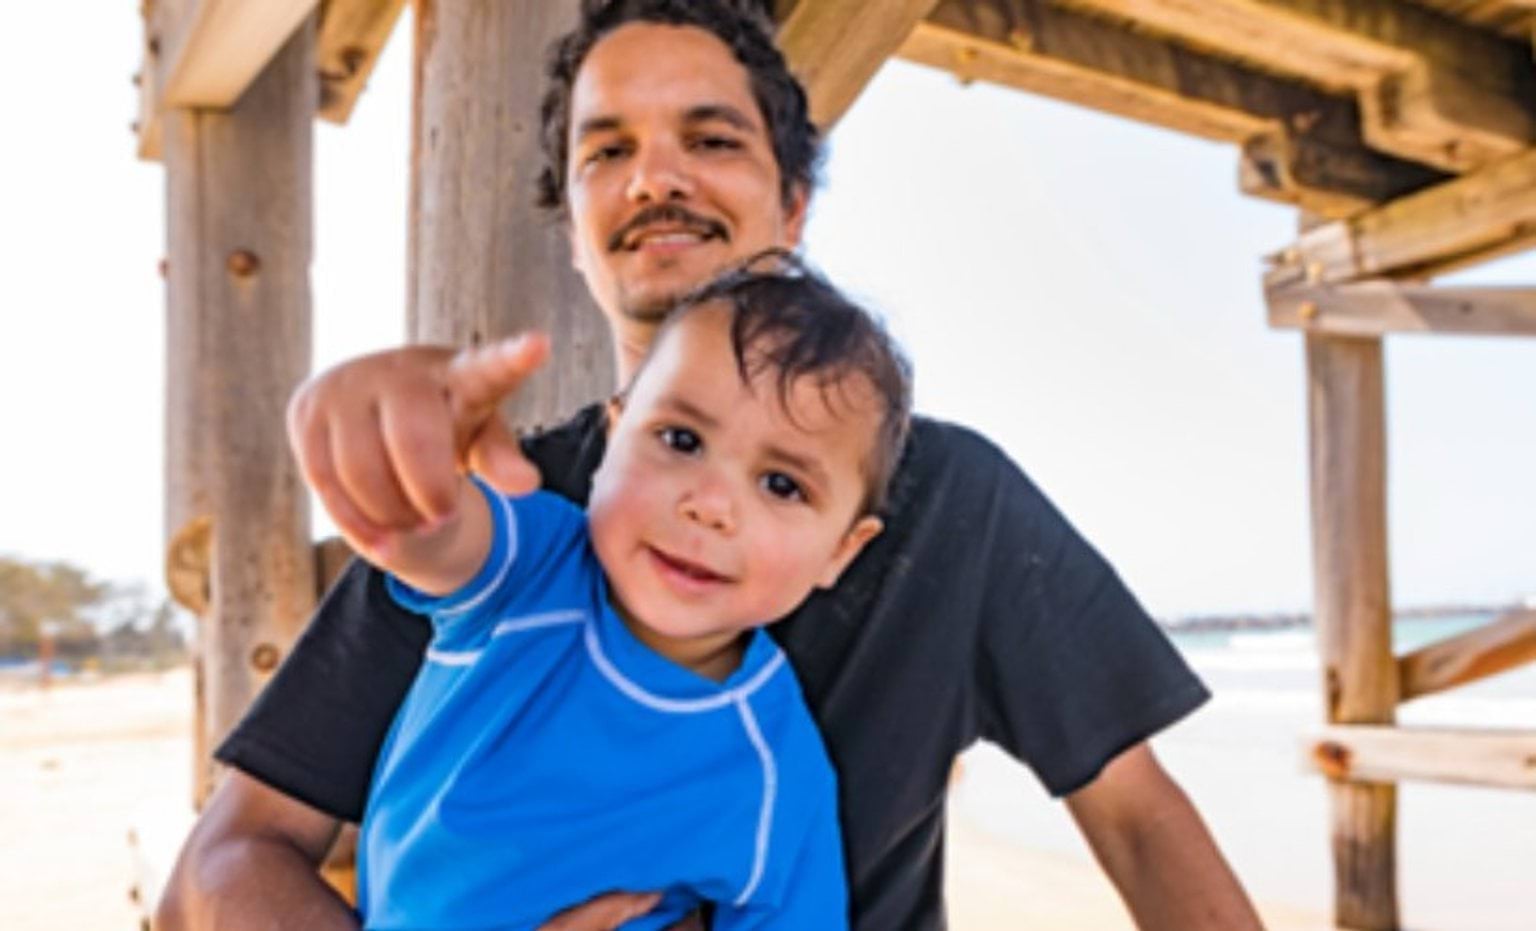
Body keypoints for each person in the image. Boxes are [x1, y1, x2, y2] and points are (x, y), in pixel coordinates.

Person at [157, 2, 1264, 929]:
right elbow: (216, 869)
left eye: (713, 137)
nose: (656, 177)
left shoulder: (957, 500)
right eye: (607, 150)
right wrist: (374, 448)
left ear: (794, 198)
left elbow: (1137, 815)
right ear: (575, 230)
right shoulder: (512, 515)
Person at [351, 260, 908, 929]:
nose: (709, 505)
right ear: (612, 436)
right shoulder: (535, 567)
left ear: (842, 550)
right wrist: (389, 440)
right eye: (681, 439)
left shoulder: (775, 772)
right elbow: (428, 531)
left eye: (782, 484)